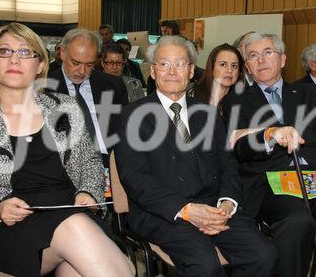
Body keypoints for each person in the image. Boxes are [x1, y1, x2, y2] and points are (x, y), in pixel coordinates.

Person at [0, 23, 133, 276]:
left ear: (40, 64)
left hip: (68, 209)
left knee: (81, 266)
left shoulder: (65, 107)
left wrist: (87, 191)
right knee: (113, 262)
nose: (14, 59)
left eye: (24, 53)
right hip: (9, 228)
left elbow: (89, 163)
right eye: (5, 51)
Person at [115, 35, 277, 277]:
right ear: (152, 71)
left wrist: (227, 203)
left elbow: (228, 166)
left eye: (180, 64)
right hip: (164, 211)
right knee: (205, 265)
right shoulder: (131, 116)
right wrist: (187, 210)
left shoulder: (208, 114)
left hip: (213, 206)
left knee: (264, 255)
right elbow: (135, 179)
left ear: (191, 71)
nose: (172, 71)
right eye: (164, 64)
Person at [220, 32, 316, 277]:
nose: (261, 60)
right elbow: (240, 147)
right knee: (298, 221)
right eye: (253, 56)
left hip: (315, 177)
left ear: (282, 59)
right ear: (247, 66)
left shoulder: (308, 94)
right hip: (271, 183)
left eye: (268, 53)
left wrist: (270, 134)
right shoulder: (236, 101)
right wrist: (270, 135)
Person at [47, 28, 129, 167]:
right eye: (76, 63)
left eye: (89, 64)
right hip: (67, 166)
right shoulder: (45, 89)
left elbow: (126, 130)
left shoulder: (113, 85)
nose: (82, 71)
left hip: (111, 163)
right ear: (62, 53)